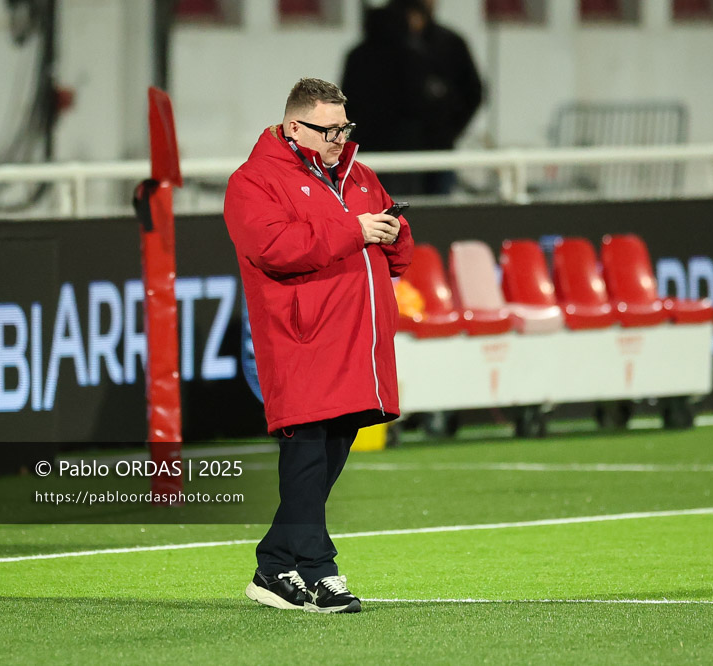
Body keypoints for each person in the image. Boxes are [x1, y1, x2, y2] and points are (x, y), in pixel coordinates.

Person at [223, 77, 413, 614]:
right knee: (307, 454)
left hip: (356, 339)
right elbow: (275, 248)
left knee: (329, 452)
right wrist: (355, 232)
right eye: (327, 129)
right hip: (299, 337)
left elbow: (398, 253)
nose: (337, 138)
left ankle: (272, 565)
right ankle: (319, 570)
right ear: (292, 127)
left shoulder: (359, 175)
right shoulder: (252, 182)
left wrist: (397, 236)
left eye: (343, 127)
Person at [341, 0, 483, 195]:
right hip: (413, 149)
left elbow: (472, 93)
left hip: (415, 149)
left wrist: (448, 132)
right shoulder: (413, 55)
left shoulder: (447, 43)